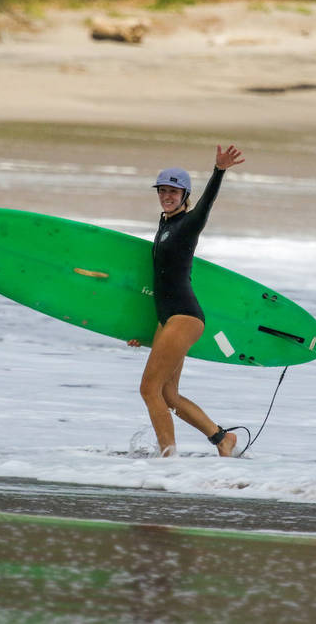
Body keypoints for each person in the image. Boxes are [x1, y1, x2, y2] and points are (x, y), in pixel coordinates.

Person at [128, 145, 245, 457]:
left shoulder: (188, 223)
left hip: (184, 317)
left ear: (184, 194)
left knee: (148, 390)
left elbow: (207, 205)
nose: (166, 195)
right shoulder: (164, 224)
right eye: (162, 190)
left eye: (173, 191)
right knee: (168, 394)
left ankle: (168, 458)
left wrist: (219, 170)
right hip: (167, 319)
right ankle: (222, 439)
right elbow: (158, 283)